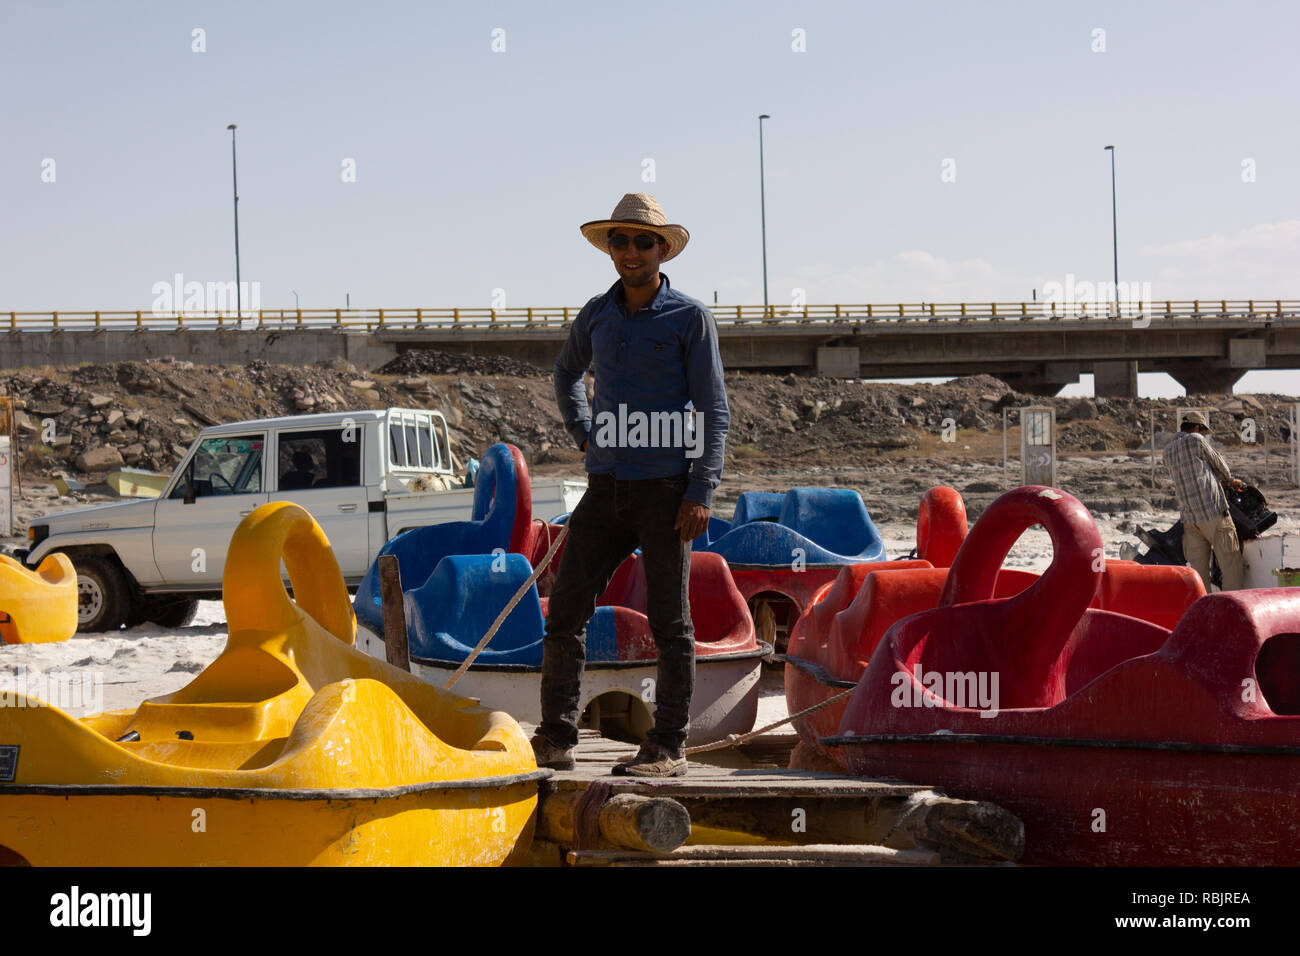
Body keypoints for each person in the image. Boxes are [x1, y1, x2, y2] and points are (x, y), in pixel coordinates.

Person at [531, 193, 729, 777]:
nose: (631, 251)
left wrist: (702, 491)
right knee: (565, 612)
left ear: (662, 249)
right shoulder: (597, 314)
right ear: (610, 249)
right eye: (620, 241)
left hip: (667, 493)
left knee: (672, 624)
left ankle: (668, 747)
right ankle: (556, 737)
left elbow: (713, 409)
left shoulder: (690, 318)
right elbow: (566, 372)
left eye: (643, 241)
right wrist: (583, 430)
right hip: (604, 489)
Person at [1162, 410, 1245, 591]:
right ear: (1197, 427)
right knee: (1231, 565)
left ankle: (1204, 612)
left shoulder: (1167, 451)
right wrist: (1228, 481)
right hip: (1213, 512)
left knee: (1199, 576)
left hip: (1190, 520)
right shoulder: (1196, 440)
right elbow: (1223, 469)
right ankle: (1232, 609)